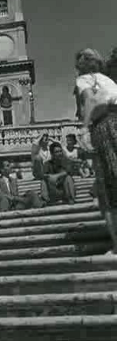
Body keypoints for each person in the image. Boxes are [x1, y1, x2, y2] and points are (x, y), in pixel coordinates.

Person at [74, 47, 117, 255]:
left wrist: (84, 128)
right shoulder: (108, 80)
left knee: (107, 187)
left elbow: (91, 99)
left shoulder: (84, 80)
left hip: (105, 127)